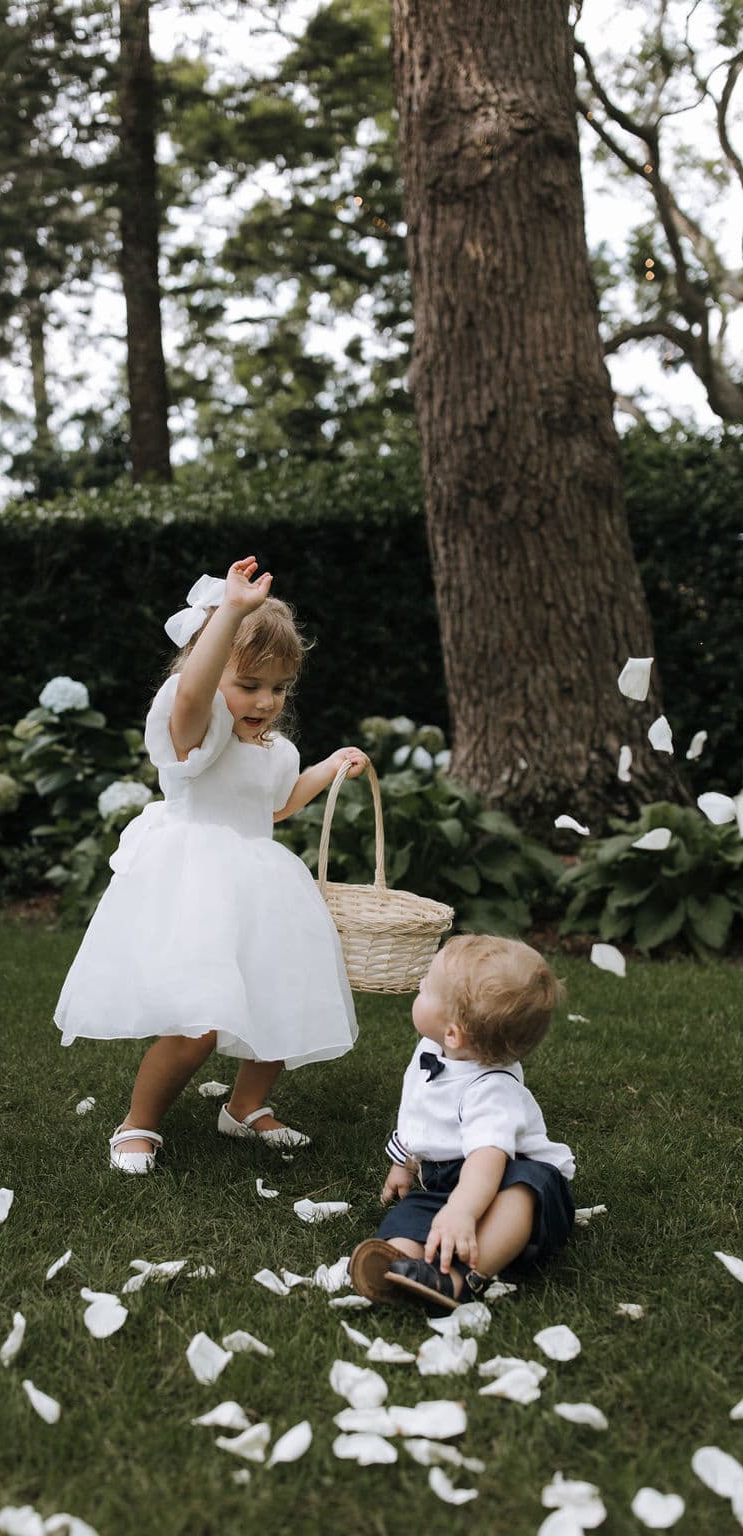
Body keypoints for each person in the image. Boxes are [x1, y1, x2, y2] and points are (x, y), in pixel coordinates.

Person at [54, 556, 369, 1174]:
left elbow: (276, 805)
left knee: (282, 999)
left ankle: (245, 1107)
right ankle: (138, 1123)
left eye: (278, 688)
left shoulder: (275, 747)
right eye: (248, 685)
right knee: (198, 1022)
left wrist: (329, 767)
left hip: (262, 883)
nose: (266, 701)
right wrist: (229, 612)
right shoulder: (200, 731)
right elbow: (196, 691)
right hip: (197, 881)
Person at [349, 934, 575, 1310]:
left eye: (425, 989)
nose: (419, 988)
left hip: (508, 1176)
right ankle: (402, 1264)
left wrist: (462, 1210)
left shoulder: (491, 1090)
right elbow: (421, 1113)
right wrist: (404, 1164)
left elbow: (488, 1160)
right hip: (449, 1182)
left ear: (453, 1033)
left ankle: (460, 1279)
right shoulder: (433, 1050)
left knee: (519, 1196)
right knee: (414, 1216)